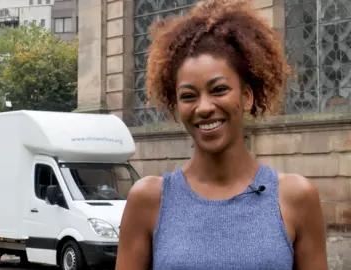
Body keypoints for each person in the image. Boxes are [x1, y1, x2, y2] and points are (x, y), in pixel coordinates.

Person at [115, 0, 328, 269]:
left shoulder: (296, 198)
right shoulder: (149, 200)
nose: (204, 107)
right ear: (176, 106)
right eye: (189, 96)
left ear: (247, 96)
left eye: (219, 90)